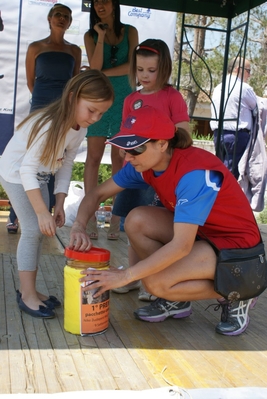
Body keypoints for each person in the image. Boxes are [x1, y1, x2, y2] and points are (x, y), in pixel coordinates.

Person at [69, 105, 262, 336]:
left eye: (136, 149)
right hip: (203, 235)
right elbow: (97, 194)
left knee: (154, 283)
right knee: (137, 220)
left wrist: (125, 276)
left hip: (237, 249)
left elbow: (181, 246)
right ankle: (177, 299)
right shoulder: (143, 164)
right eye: (124, 149)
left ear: (162, 144)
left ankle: (238, 292)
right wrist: (79, 226)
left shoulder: (194, 173)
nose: (128, 158)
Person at [0, 70, 114, 319]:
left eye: (102, 113)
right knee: (32, 229)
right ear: (73, 98)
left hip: (37, 175)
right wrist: (42, 212)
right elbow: (27, 169)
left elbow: (65, 163)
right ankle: (27, 296)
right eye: (91, 110)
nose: (95, 118)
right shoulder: (50, 124)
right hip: (16, 173)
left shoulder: (79, 127)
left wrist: (59, 202)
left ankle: (30, 289)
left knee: (40, 231)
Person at [111, 38, 190, 301]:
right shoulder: (131, 99)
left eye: (151, 71)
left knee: (153, 226)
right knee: (131, 222)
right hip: (134, 171)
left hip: (161, 173)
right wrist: (126, 151)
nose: (145, 76)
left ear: (164, 69)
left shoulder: (172, 96)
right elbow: (125, 134)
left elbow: (185, 133)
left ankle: (157, 279)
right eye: (140, 70)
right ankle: (136, 275)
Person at [6, 3, 82, 233]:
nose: (61, 18)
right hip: (39, 109)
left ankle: (45, 213)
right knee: (27, 161)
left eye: (66, 16)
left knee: (51, 162)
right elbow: (31, 81)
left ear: (69, 23)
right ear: (50, 18)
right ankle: (15, 215)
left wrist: (63, 108)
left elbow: (75, 83)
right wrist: (42, 106)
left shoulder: (74, 51)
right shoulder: (35, 47)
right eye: (58, 14)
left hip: (62, 112)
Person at [83, 0, 138, 240]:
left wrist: (101, 73)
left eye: (104, 1)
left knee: (120, 157)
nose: (99, 5)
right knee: (93, 156)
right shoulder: (90, 35)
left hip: (124, 97)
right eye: (95, 2)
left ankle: (116, 219)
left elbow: (132, 66)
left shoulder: (131, 31)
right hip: (99, 97)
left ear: (114, 4)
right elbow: (94, 67)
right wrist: (101, 37)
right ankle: (90, 218)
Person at [210, 57, 257, 179]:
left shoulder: (218, 88)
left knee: (220, 171)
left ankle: (218, 196)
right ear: (238, 69)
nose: (249, 75)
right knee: (232, 175)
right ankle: (225, 197)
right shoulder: (244, 88)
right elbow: (256, 107)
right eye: (248, 70)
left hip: (218, 134)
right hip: (237, 136)